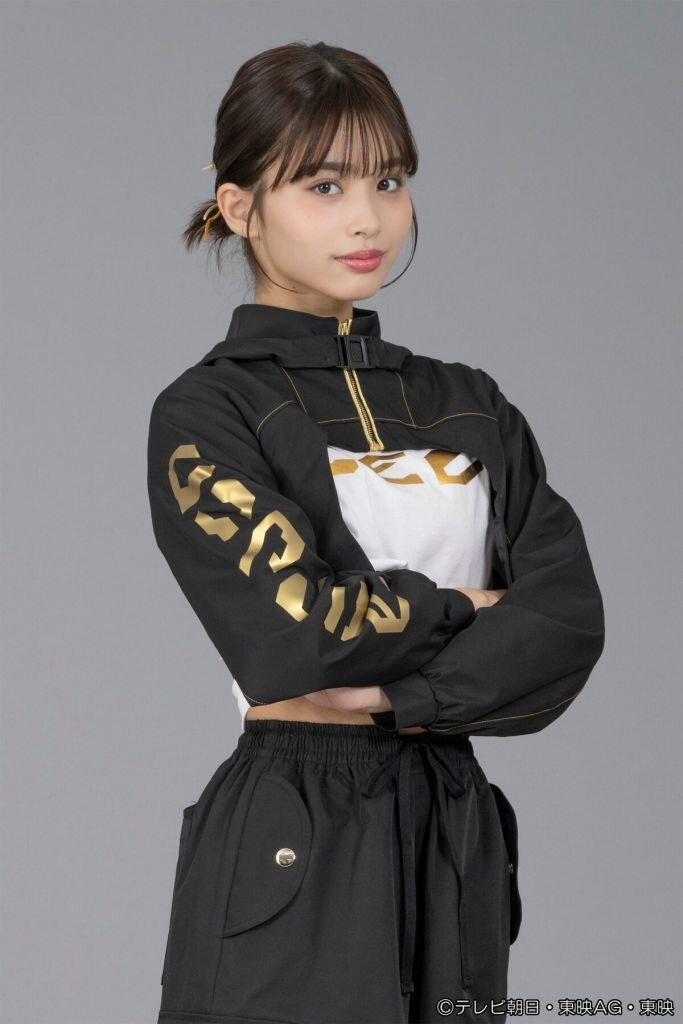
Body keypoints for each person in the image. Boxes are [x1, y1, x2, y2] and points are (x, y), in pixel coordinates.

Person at [146, 41, 605, 1024]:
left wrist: (398, 694)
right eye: (323, 185)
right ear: (239, 207)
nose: (367, 218)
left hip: (452, 824)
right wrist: (471, 605)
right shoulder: (207, 413)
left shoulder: (469, 403)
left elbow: (566, 626)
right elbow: (300, 639)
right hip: (293, 825)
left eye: (388, 181)